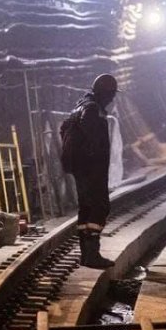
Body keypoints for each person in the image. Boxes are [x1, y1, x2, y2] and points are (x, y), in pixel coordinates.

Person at [60, 74, 119, 269]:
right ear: (105, 93)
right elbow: (91, 134)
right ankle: (92, 255)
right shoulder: (92, 109)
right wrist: (93, 154)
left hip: (81, 167)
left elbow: (63, 128)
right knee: (100, 207)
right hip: (91, 167)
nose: (112, 99)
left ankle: (86, 255)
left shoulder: (81, 105)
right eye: (111, 95)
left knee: (86, 208)